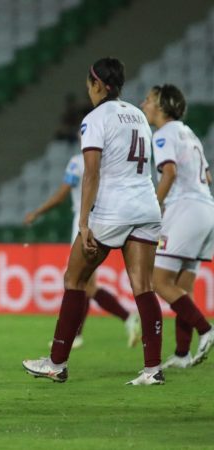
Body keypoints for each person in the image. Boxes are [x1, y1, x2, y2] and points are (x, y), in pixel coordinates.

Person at [22, 57, 165, 385]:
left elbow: (91, 173)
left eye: (89, 83)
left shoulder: (95, 119)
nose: (88, 89)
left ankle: (56, 363)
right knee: (143, 286)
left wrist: (84, 222)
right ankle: (153, 369)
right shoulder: (139, 116)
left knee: (74, 278)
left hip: (113, 210)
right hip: (146, 206)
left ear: (98, 84)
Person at [24, 153, 141, 349]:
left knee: (78, 281)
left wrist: (37, 212)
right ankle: (80, 333)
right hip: (106, 219)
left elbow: (61, 195)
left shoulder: (78, 162)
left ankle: (126, 318)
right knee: (85, 283)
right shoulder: (111, 160)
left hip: (84, 221)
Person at [140, 84, 214, 368]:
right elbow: (206, 176)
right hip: (206, 208)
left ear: (160, 106)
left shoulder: (163, 134)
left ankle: (206, 330)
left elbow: (168, 172)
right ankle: (183, 354)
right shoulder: (189, 133)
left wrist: (156, 204)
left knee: (159, 281)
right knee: (183, 285)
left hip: (186, 209)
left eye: (148, 100)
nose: (144, 104)